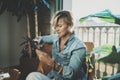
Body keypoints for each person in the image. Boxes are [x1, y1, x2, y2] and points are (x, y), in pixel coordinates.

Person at [26, 10, 87, 80]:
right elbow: (41, 39)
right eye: (55, 26)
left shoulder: (79, 47)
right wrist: (36, 42)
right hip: (55, 78)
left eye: (60, 26)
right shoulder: (55, 38)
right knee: (32, 76)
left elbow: (71, 73)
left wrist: (51, 63)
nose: (57, 29)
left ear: (70, 25)